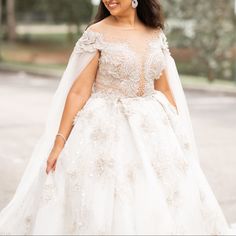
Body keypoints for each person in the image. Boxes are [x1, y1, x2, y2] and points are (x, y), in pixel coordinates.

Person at [0, 0, 235, 235]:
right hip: (105, 127)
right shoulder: (97, 34)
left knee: (162, 195)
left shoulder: (155, 33)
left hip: (153, 128)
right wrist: (59, 142)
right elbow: (79, 91)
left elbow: (163, 88)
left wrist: (179, 131)